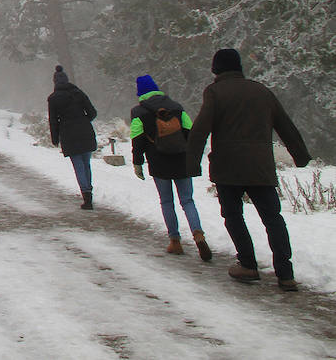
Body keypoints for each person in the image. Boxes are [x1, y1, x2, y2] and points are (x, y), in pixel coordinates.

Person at [186, 48, 311, 291]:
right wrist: (300, 156)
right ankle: (285, 274)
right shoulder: (262, 91)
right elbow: (286, 125)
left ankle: (248, 264)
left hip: (227, 168)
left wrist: (191, 164)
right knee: (273, 219)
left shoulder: (215, 92)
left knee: (233, 216)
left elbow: (200, 129)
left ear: (216, 69)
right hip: (260, 167)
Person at [130, 74, 211, 260]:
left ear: (140, 93)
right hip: (181, 159)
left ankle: (175, 241)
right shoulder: (176, 107)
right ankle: (198, 235)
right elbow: (190, 131)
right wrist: (192, 157)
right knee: (187, 200)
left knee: (167, 202)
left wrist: (137, 163)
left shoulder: (138, 113)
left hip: (158, 163)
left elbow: (137, 140)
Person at [47, 64, 98, 209]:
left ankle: (86, 195)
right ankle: (89, 191)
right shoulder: (78, 93)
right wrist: (83, 120)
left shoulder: (53, 99)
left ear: (55, 82)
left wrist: (55, 138)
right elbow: (93, 112)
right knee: (86, 164)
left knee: (78, 166)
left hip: (68, 134)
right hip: (85, 131)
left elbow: (53, 121)